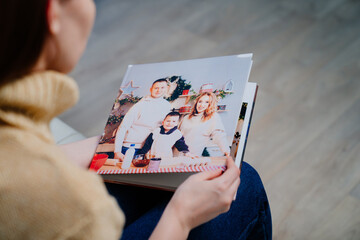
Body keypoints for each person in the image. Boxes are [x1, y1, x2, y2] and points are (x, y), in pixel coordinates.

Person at [0, 0, 272, 239]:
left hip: (163, 150)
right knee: (244, 181)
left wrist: (102, 143)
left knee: (164, 179)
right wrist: (180, 217)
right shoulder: (84, 214)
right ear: (52, 12)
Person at [114, 78, 171, 161]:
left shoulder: (166, 105)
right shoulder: (140, 105)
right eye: (156, 88)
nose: (159, 90)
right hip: (131, 148)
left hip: (150, 149)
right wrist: (117, 151)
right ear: (151, 89)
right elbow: (123, 127)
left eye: (162, 88)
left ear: (167, 89)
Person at [180, 92, 230, 157]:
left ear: (211, 104)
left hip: (192, 155)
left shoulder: (213, 117)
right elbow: (177, 135)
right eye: (200, 101)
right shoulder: (186, 117)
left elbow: (219, 135)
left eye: (207, 102)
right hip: (177, 152)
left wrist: (226, 150)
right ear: (196, 102)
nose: (201, 104)